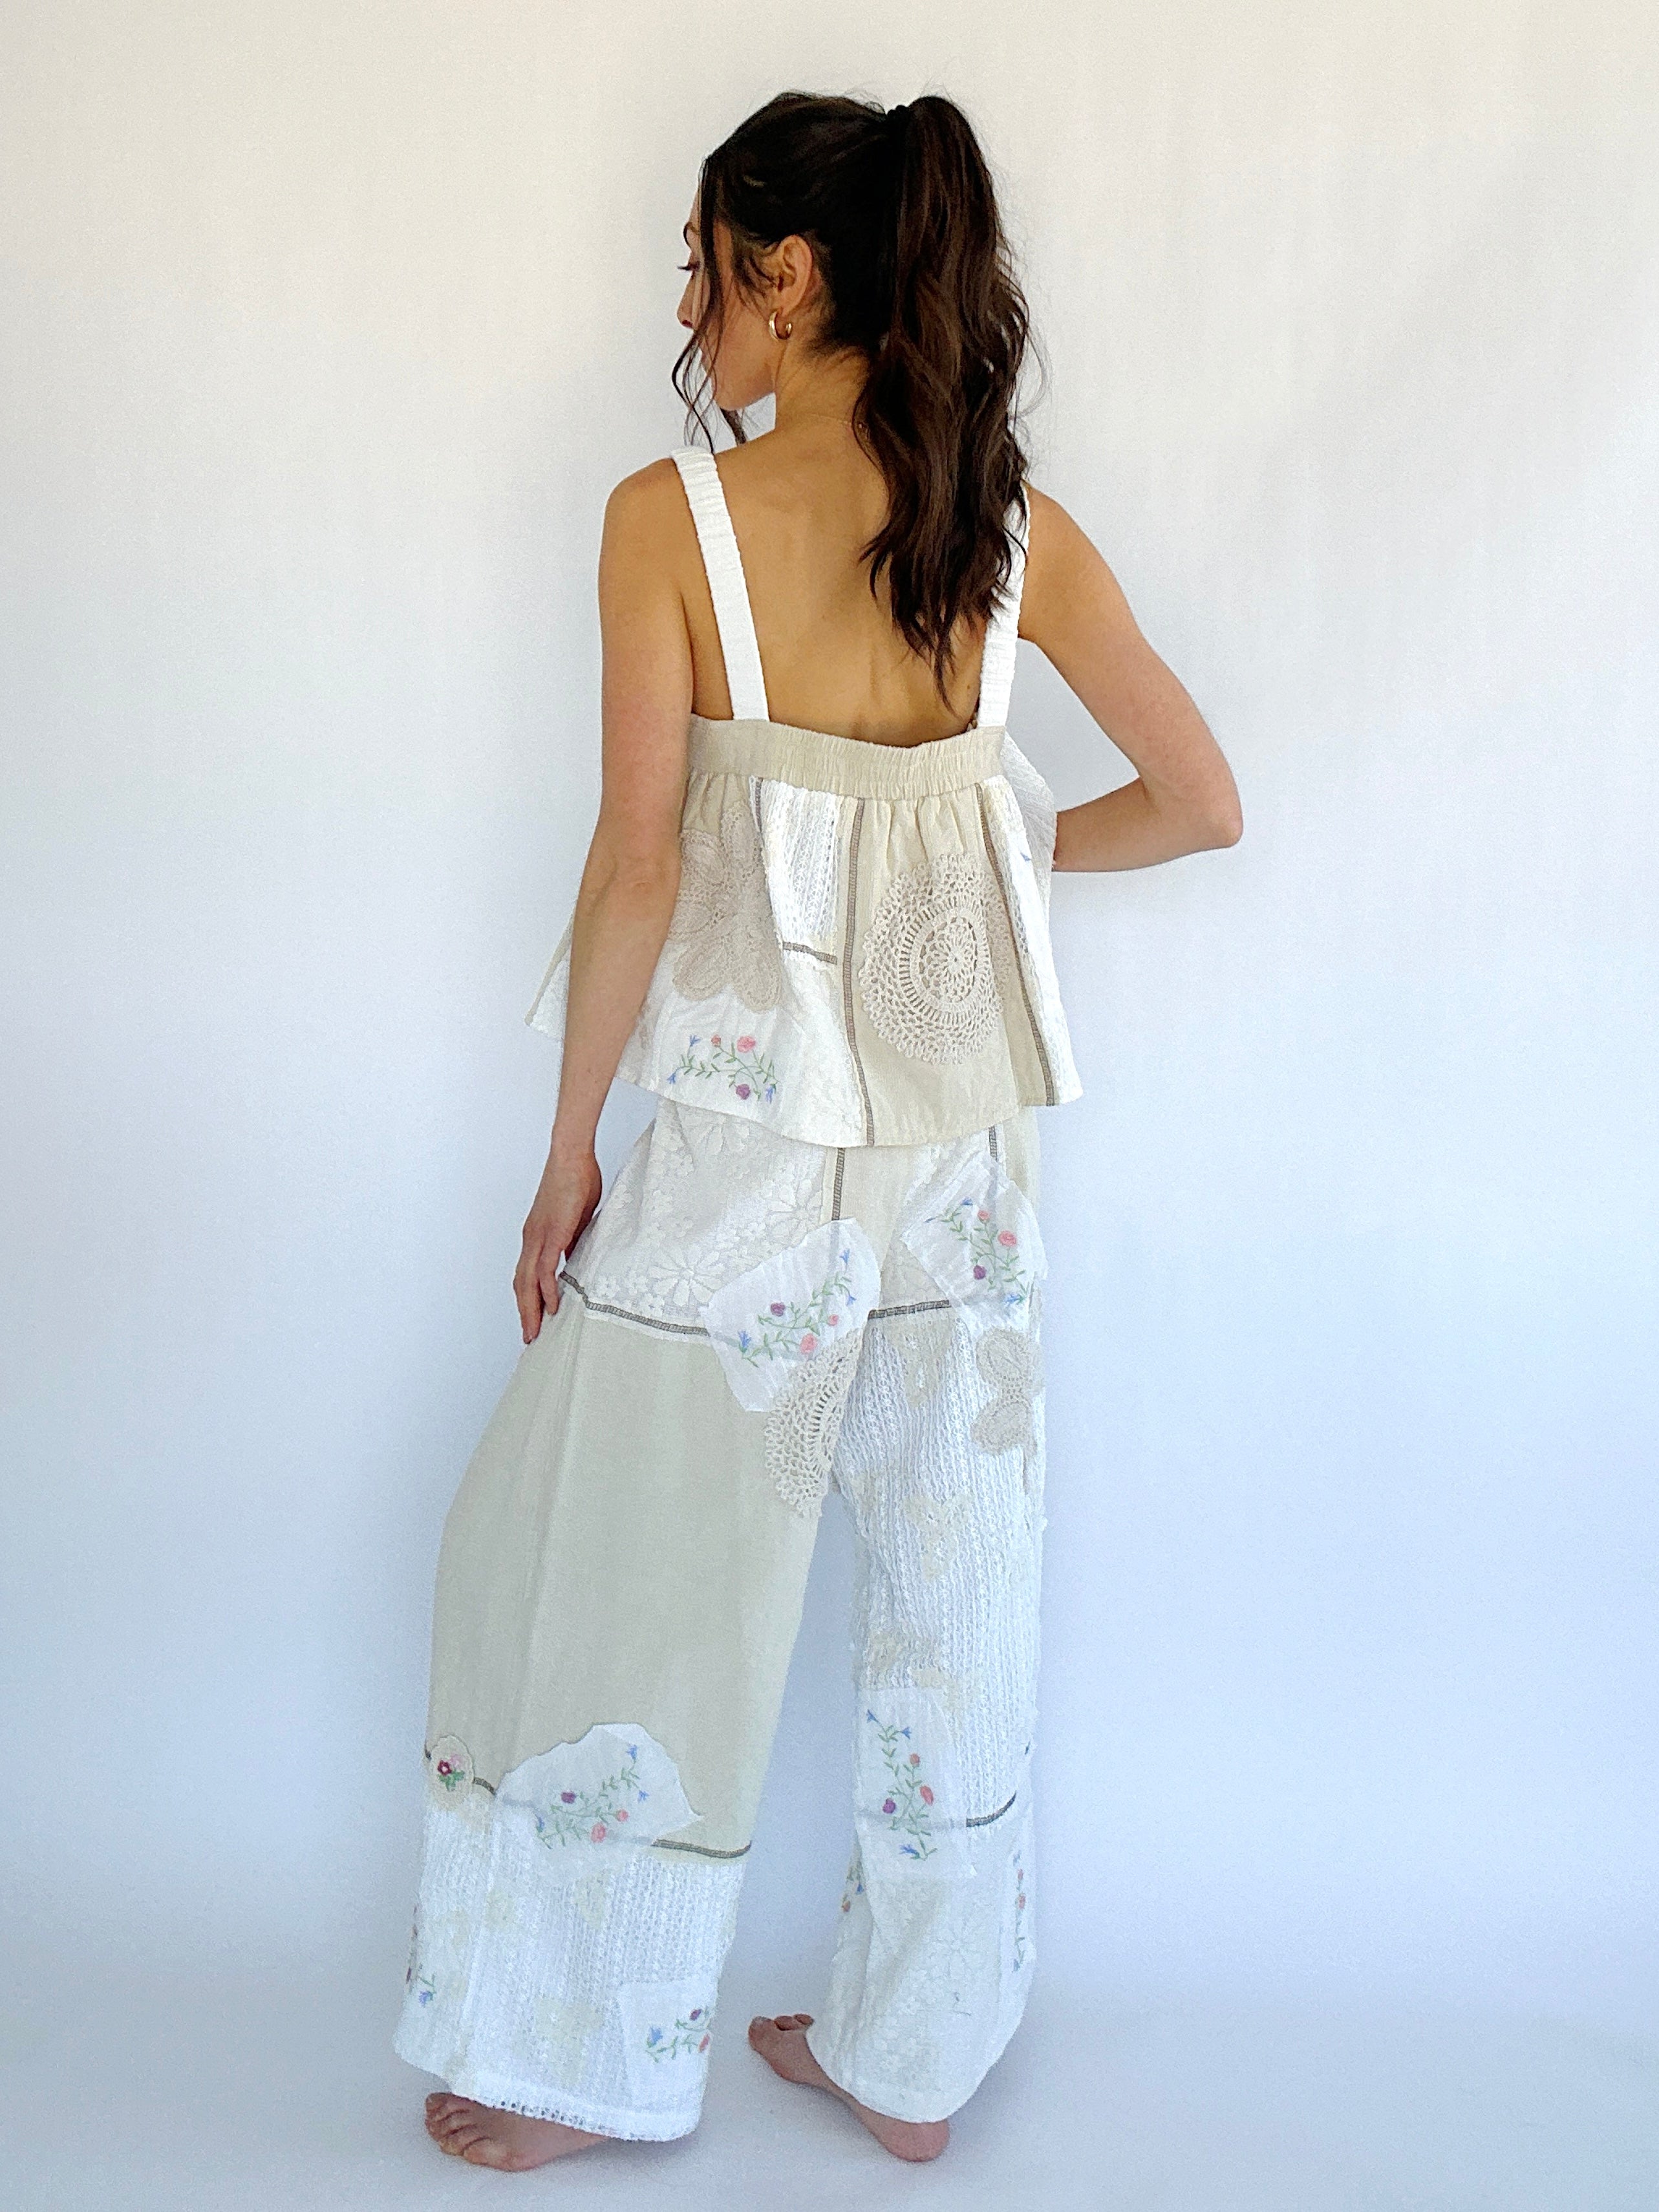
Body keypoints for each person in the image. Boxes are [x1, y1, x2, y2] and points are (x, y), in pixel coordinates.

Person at [398, 87, 1241, 2172]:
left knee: (634, 1572)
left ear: (786, 272)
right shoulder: (1012, 529)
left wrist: (565, 1148)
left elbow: (631, 862)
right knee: (963, 1593)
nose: (690, 302)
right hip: (961, 1155)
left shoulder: (667, 518)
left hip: (734, 1159)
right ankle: (913, 2059)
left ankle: (588, 2063)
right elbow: (1199, 798)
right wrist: (982, 857)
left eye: (704, 261)